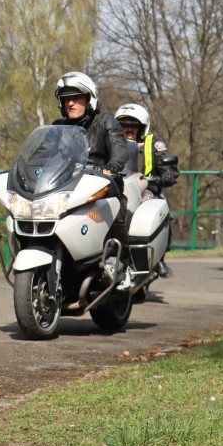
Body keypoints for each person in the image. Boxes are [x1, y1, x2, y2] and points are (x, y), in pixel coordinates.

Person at [52, 72, 134, 288]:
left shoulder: (106, 121)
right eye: (66, 99)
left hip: (102, 188)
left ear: (89, 98)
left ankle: (125, 266)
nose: (70, 103)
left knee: (114, 214)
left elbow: (120, 150)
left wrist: (111, 168)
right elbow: (44, 152)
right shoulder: (58, 127)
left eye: (76, 97)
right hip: (67, 191)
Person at [114, 103, 178, 278]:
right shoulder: (111, 145)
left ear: (142, 127)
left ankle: (158, 257)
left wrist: (167, 174)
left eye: (133, 125)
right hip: (118, 188)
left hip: (146, 189)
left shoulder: (153, 143)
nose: (129, 129)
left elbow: (168, 165)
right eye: (124, 125)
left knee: (155, 207)